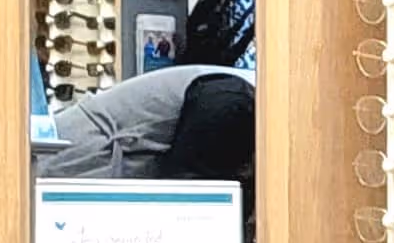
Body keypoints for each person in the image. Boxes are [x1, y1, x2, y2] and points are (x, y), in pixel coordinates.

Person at [34, 59, 252, 182]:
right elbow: (186, 198)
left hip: (83, 163)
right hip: (80, 163)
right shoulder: (233, 101)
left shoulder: (236, 94)